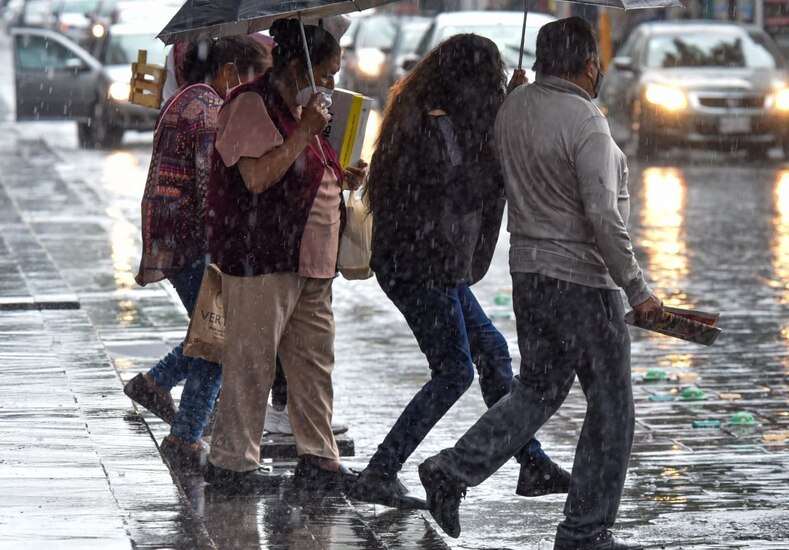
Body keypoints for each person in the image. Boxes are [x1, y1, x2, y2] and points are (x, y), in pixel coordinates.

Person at [417, 17, 663, 550]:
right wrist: (637, 290)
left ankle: (452, 469)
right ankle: (585, 528)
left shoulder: (513, 109)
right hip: (582, 282)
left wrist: (514, 97)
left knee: (537, 391)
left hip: (530, 276)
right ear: (589, 65)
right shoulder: (586, 122)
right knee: (612, 405)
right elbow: (603, 214)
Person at [349, 33, 570, 510]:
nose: (492, 86)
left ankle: (531, 463)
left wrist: (507, 109)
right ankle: (381, 471)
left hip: (432, 264)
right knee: (453, 371)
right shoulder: (432, 124)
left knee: (491, 351)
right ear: (467, 79)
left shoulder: (442, 117)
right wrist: (502, 124)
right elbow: (463, 187)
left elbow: (469, 173)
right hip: (417, 266)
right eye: (489, 77)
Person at [204, 15, 366, 494]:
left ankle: (319, 458)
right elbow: (257, 178)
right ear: (300, 66)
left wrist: (339, 175)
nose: (333, 82)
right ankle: (232, 463)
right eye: (328, 72)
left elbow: (305, 167)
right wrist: (305, 132)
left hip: (312, 263)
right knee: (251, 363)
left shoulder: (306, 110)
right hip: (262, 258)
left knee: (313, 366)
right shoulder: (252, 105)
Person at [128, 35, 271, 469]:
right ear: (229, 72)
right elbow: (214, 186)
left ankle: (157, 383)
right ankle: (186, 435)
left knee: (211, 331)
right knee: (220, 339)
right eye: (250, 78)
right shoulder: (209, 110)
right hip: (193, 242)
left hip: (175, 237)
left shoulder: (187, 98)